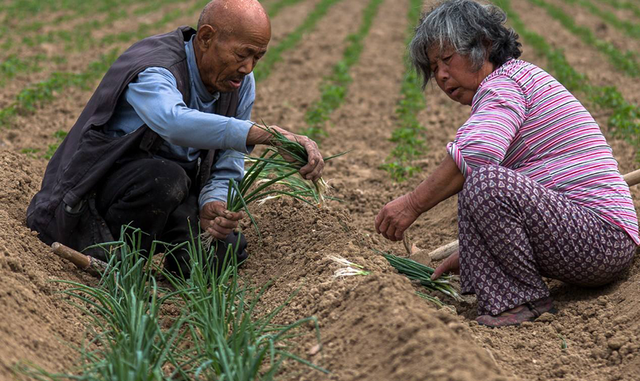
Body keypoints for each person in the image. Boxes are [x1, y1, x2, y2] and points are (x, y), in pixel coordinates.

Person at [375, 0, 639, 327]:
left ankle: (522, 301)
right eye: (433, 68)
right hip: (593, 238)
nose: (441, 75)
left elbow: (476, 156)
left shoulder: (504, 84)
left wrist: (412, 204)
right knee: (481, 183)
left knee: (485, 183)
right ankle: (507, 292)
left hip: (600, 236)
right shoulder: (513, 81)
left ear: (484, 45)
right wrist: (478, 253)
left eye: (447, 59)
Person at [27, 0, 324, 273]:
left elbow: (229, 159)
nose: (247, 68)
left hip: (167, 197)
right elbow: (172, 121)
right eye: (241, 54)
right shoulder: (155, 67)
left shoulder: (238, 83)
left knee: (225, 250)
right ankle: (110, 258)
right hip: (93, 199)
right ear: (206, 37)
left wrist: (214, 201)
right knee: (164, 178)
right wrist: (266, 135)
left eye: (257, 57)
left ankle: (165, 268)